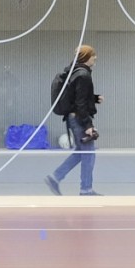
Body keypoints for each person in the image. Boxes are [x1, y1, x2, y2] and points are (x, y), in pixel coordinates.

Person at [46, 44, 101, 195]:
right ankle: (86, 189)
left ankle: (55, 177)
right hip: (79, 119)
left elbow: (76, 97)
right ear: (86, 57)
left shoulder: (74, 72)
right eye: (93, 55)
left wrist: (94, 98)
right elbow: (80, 103)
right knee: (89, 154)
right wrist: (88, 124)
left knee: (81, 152)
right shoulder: (83, 75)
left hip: (73, 118)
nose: (95, 58)